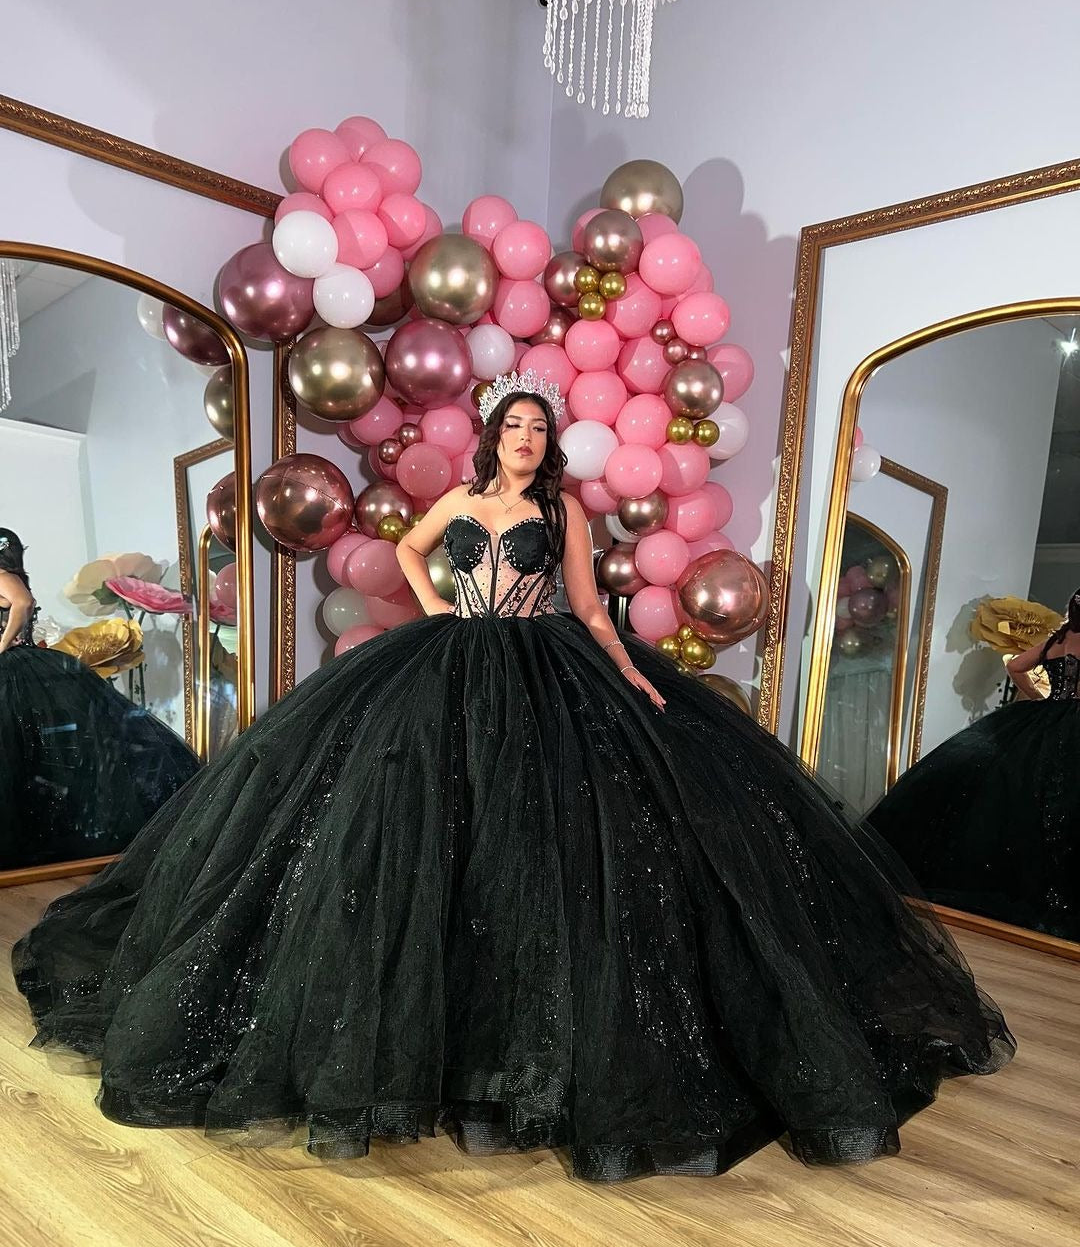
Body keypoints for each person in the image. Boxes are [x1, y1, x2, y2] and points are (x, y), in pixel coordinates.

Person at [13, 373, 1013, 1184]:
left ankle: (521, 1055)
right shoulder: (456, 502)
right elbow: (408, 551)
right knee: (417, 836)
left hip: (547, 666)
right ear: (495, 436)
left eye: (540, 428)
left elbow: (588, 607)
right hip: (447, 665)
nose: (528, 439)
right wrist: (434, 608)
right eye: (517, 426)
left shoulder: (563, 510)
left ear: (549, 443)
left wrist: (631, 676)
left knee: (546, 847)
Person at [869, 590, 1080, 942]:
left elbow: (1015, 666)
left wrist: (1038, 697)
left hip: (1044, 716)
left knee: (1017, 792)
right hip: (1069, 726)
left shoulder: (1057, 640)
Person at [0, 529, 198, 870]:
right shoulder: (10, 575)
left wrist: (3, 644)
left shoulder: (2, 576)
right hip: (22, 667)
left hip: (15, 665)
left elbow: (24, 603)